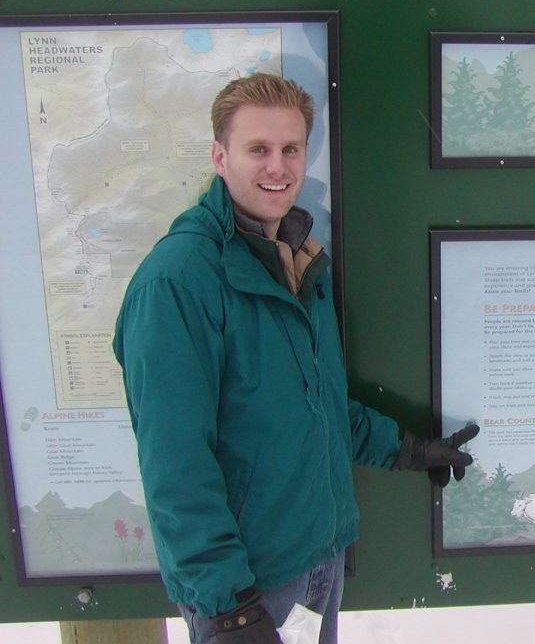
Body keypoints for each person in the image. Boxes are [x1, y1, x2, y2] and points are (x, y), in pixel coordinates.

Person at [113, 73, 478, 644]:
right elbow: (175, 465)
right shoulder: (178, 283)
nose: (276, 167)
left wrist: (406, 450)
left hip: (316, 561)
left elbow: (315, 406)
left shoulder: (296, 261)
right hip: (248, 587)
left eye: (290, 149)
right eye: (257, 149)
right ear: (219, 155)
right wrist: (228, 608)